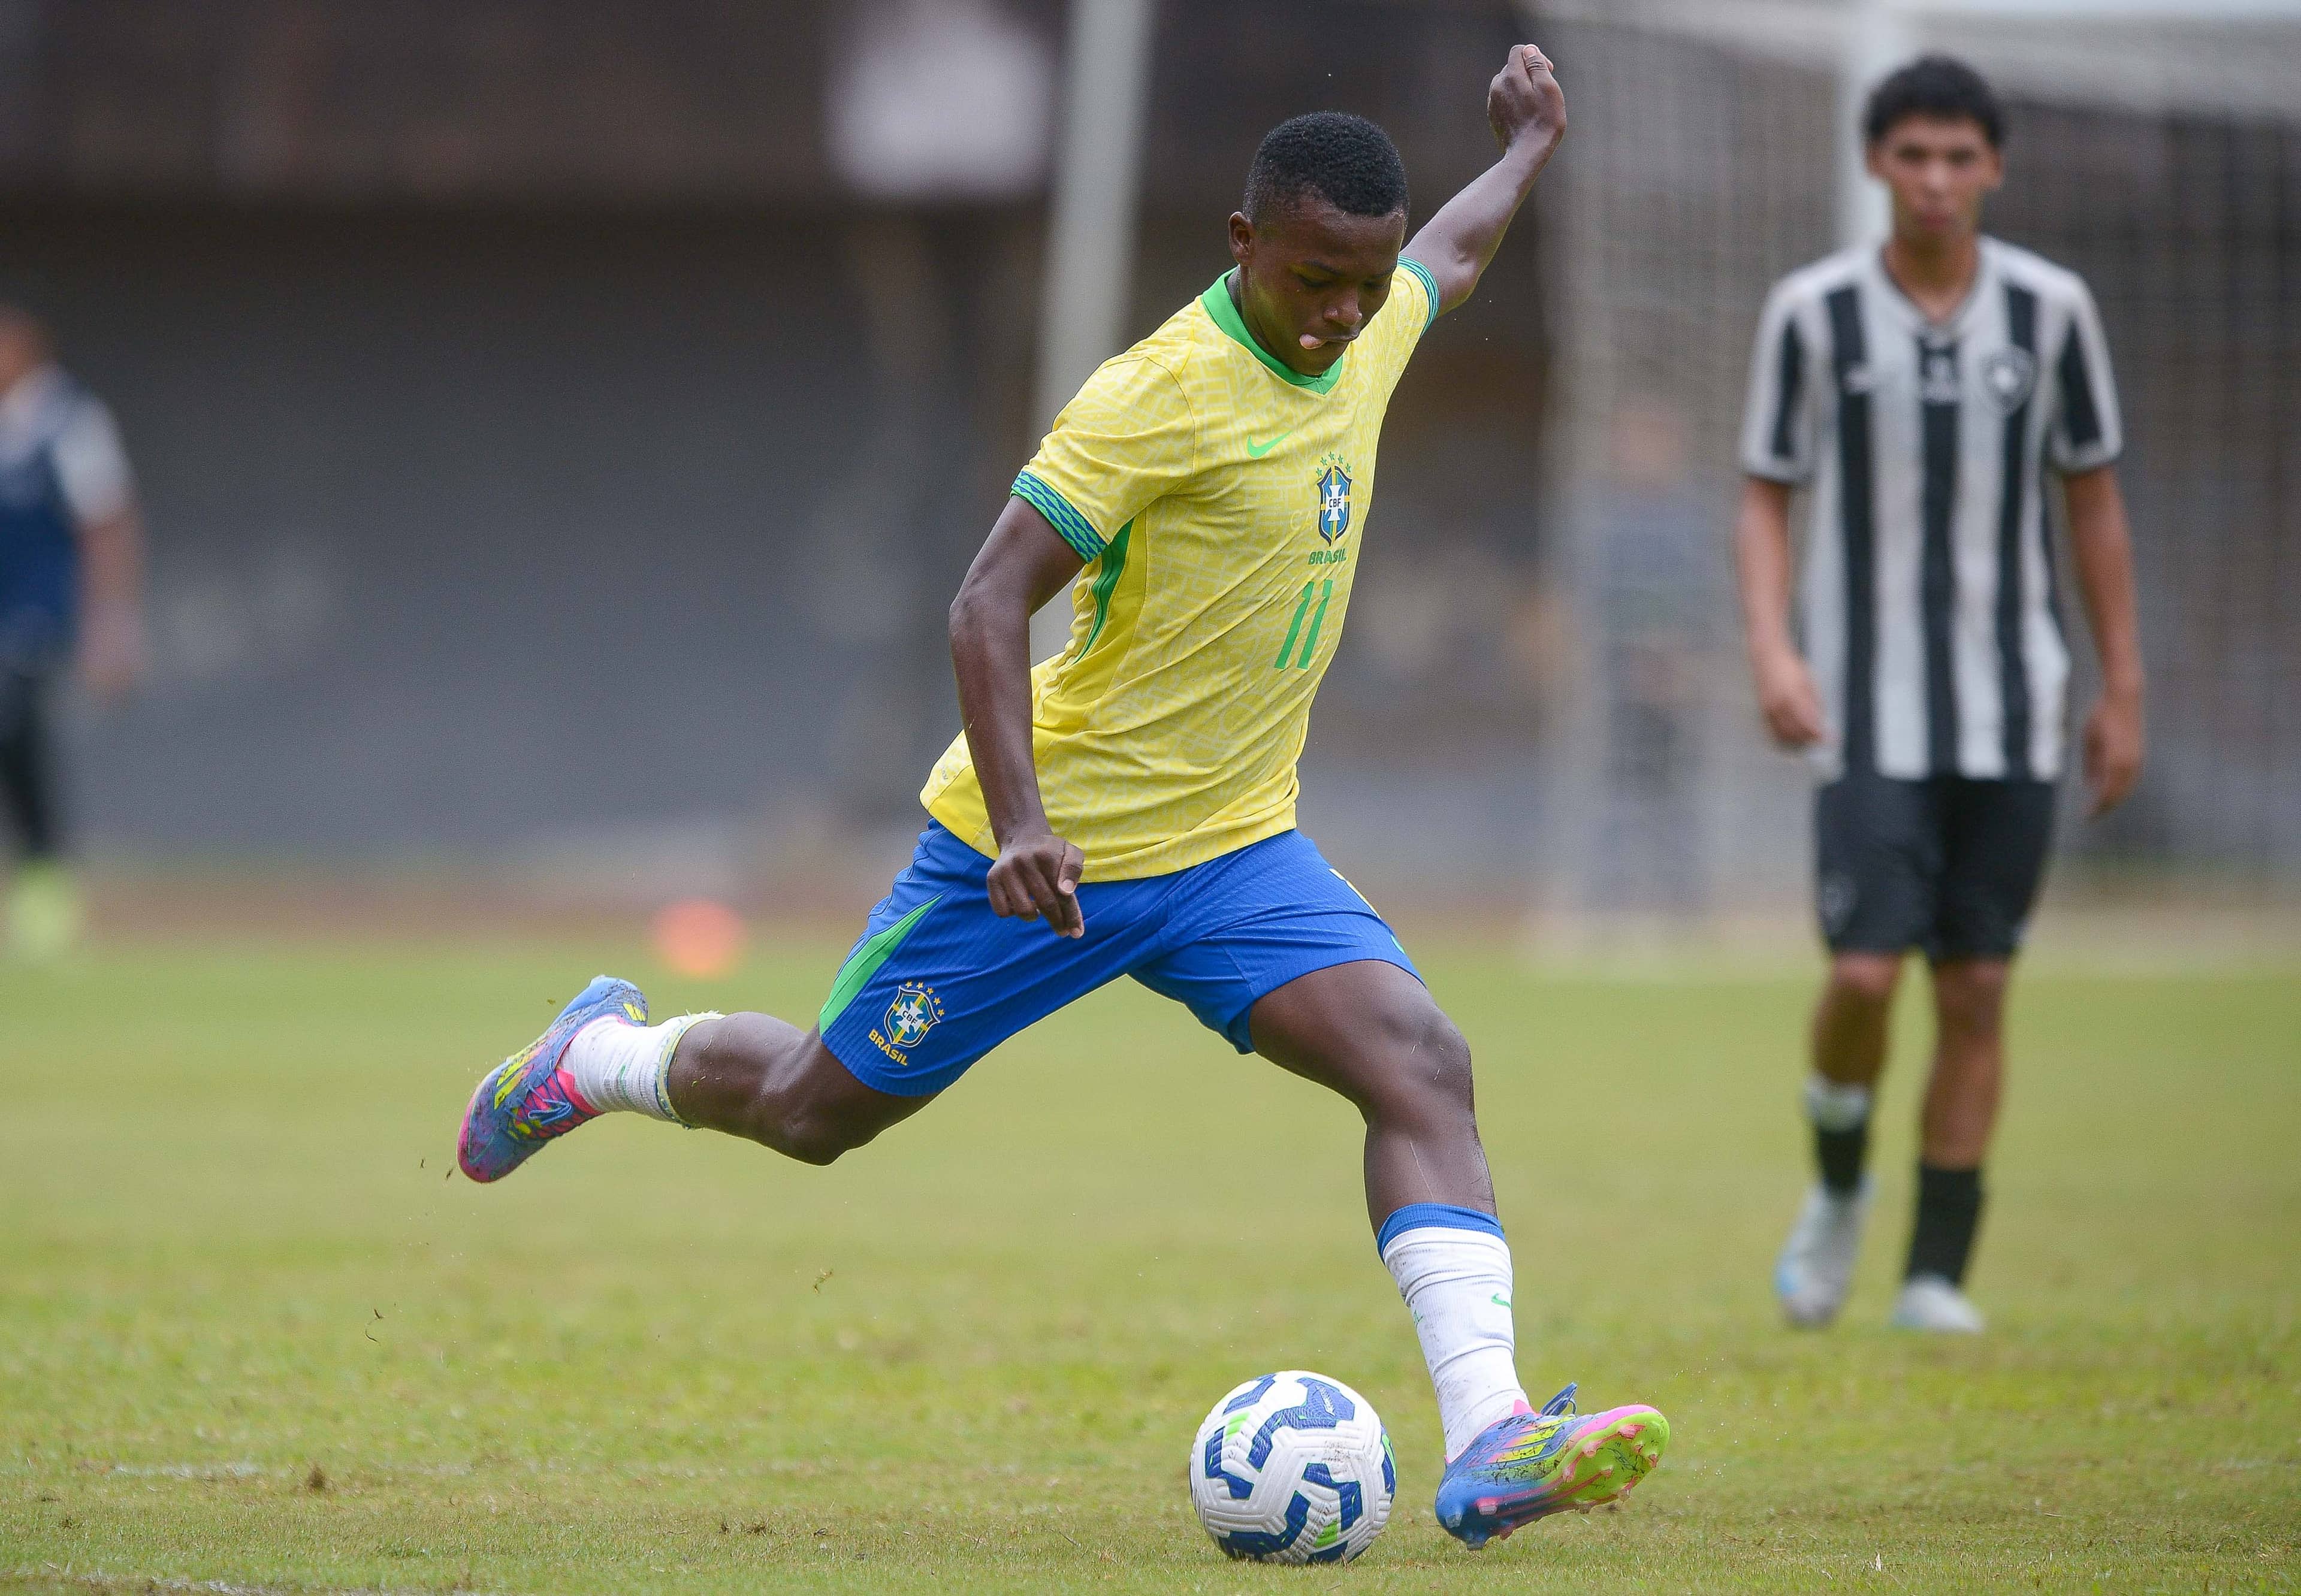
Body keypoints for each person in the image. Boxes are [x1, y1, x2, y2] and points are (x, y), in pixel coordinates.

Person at [460, 46, 1669, 1547]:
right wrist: (1024, 821)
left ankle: (1490, 1436)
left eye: (1361, 285)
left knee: (1419, 1058)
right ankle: (597, 1058)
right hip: (1037, 857)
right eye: (1312, 282)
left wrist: (1530, 147)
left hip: (1234, 850)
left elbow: (1454, 252)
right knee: (812, 1109)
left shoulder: (1368, 322)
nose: (1343, 314)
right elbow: (983, 604)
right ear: (1243, 246)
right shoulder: (1153, 395)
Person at [1734, 57, 2145, 1333]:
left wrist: (2121, 683)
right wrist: (1774, 648)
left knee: (1975, 988)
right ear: (1876, 165)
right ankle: (1840, 1183)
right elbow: (1765, 490)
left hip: (2014, 704)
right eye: (1914, 155)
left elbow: (2092, 500)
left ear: (1994, 168)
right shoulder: (1812, 314)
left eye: (1960, 157)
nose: (1936, 180)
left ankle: (1933, 1276)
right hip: (1865, 707)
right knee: (1864, 977)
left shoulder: (2052, 311)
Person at [0, 305, 145, 960]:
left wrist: (109, 623)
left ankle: (45, 891)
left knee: (19, 737)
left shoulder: (68, 422)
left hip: (32, 620)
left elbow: (107, 521)